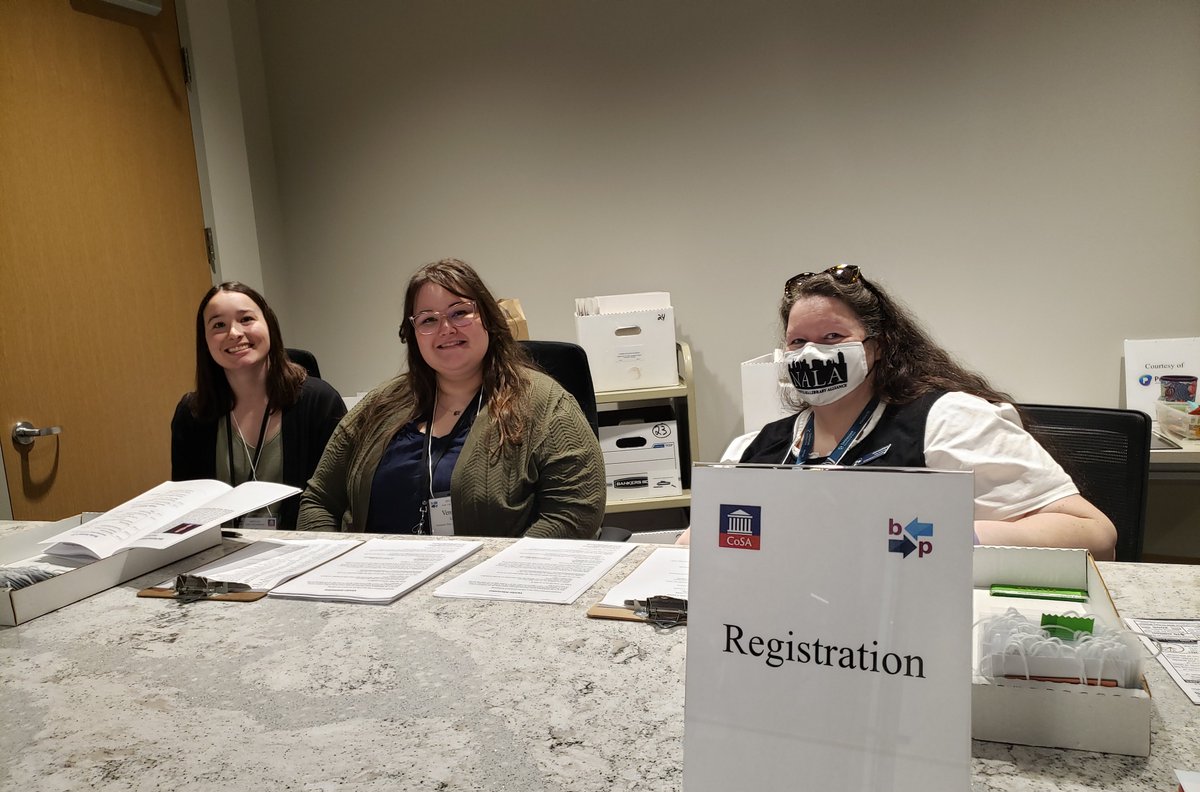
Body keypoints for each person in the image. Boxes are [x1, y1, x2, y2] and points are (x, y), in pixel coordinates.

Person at [680, 264, 1117, 558]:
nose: (812, 353)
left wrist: (945, 541)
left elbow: (1094, 534)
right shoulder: (757, 446)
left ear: (878, 345)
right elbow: (697, 546)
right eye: (798, 342)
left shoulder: (946, 422)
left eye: (832, 337)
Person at [297, 258, 606, 538]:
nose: (446, 329)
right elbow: (319, 500)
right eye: (428, 320)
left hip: (492, 577)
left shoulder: (546, 404)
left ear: (488, 318)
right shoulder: (379, 406)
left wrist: (505, 569)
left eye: (460, 313)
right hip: (377, 576)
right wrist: (331, 560)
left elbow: (576, 511)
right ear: (413, 334)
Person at [171, 282, 347, 530]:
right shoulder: (192, 414)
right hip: (219, 551)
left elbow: (338, 500)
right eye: (218, 325)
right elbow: (185, 509)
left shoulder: (320, 402)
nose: (234, 333)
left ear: (269, 325)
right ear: (205, 340)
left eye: (246, 319)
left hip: (304, 546)